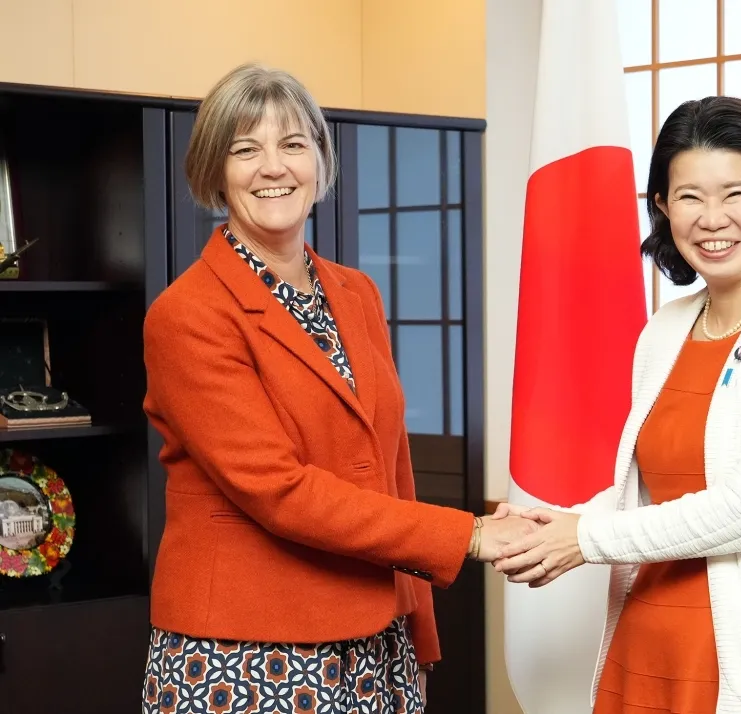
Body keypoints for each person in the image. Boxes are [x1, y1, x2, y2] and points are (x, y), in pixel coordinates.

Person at [140, 62, 536, 714]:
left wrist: (419, 630)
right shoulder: (188, 315)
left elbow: (390, 470)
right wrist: (467, 535)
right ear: (215, 171)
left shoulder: (356, 292)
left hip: (377, 636)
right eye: (247, 150)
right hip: (246, 645)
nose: (274, 167)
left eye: (294, 145)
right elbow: (280, 491)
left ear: (321, 163)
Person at [494, 96, 741, 714]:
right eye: (689, 196)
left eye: (735, 193)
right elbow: (640, 490)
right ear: (662, 206)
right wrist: (550, 524)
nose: (712, 218)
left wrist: (583, 537)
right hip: (643, 639)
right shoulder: (665, 326)